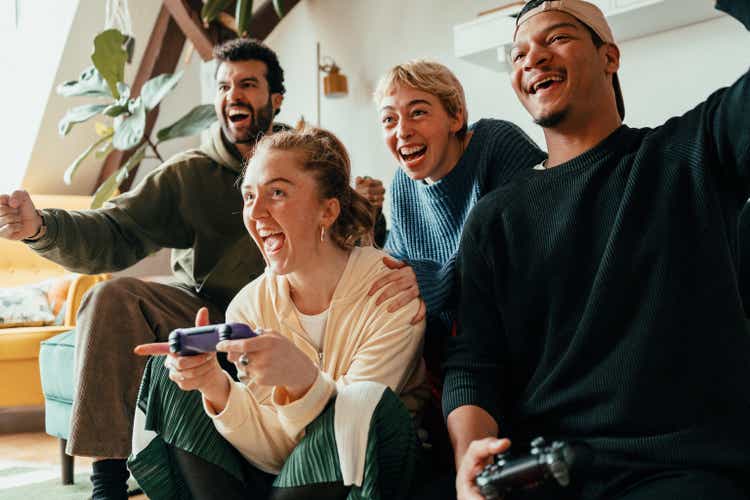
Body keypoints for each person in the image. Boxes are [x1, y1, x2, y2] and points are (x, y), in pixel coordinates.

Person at [445, 1, 750, 499]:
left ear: (610, 56)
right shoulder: (494, 218)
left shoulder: (689, 152)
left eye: (556, 38)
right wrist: (471, 458)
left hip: (681, 471)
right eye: (518, 53)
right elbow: (475, 361)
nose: (532, 58)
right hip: (542, 472)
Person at [0, 38, 288, 499]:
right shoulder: (188, 173)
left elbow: (349, 228)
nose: (233, 94)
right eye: (223, 86)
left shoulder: (305, 162)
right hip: (209, 318)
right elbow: (114, 230)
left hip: (293, 316)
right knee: (109, 296)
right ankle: (108, 484)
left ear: (275, 99)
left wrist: (371, 210)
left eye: (248, 84)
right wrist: (40, 228)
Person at [128, 126, 428, 500]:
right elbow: (273, 454)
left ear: (328, 210)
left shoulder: (390, 292)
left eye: (277, 192)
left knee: (363, 401)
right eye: (249, 195)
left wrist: (304, 381)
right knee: (169, 372)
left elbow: (351, 431)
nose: (254, 211)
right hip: (280, 477)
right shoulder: (250, 305)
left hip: (366, 472)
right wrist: (214, 387)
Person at [368, 61, 545, 477]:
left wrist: (428, 280)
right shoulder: (401, 187)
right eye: (389, 119)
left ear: (455, 116)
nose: (402, 130)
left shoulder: (495, 144)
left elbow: (513, 249)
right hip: (452, 357)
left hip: (516, 339)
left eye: (418, 111)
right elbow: (393, 271)